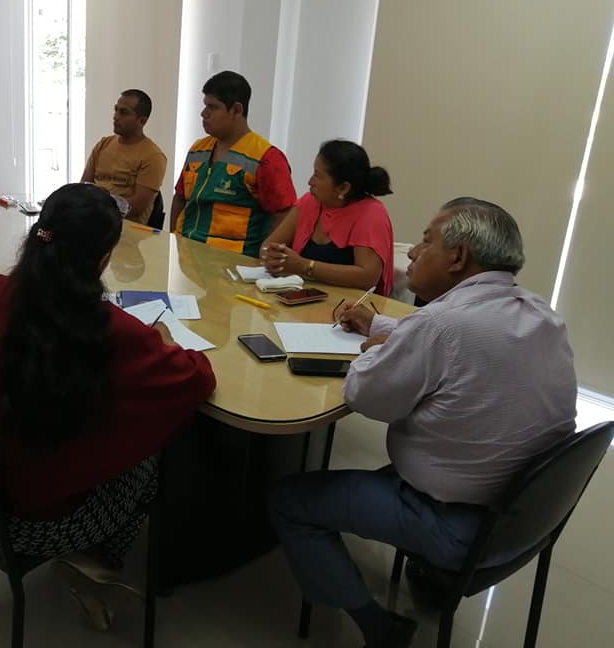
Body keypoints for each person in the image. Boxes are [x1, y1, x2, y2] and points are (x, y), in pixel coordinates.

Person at [269, 198, 577, 648]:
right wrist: (382, 327)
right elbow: (462, 345)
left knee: (288, 499)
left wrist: (374, 349)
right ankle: (425, 583)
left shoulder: (440, 325)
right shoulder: (539, 314)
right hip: (528, 513)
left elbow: (364, 394)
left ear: (458, 257)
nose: (412, 252)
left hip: (456, 523)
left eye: (426, 241)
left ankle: (379, 628)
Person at [0, 182, 216, 628]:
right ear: (103, 259)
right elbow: (196, 378)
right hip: (35, 523)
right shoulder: (111, 331)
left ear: (37, 235)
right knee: (153, 454)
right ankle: (96, 565)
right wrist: (160, 341)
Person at [170, 71, 296, 257]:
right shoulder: (198, 149)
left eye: (213, 107)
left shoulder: (266, 158)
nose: (203, 113)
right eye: (205, 105)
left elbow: (285, 216)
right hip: (186, 257)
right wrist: (173, 241)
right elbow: (180, 197)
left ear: (236, 110)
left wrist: (264, 259)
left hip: (233, 263)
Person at [261, 139, 395, 295]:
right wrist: (272, 257)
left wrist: (305, 266)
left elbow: (367, 277)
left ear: (343, 187)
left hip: (347, 304)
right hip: (301, 297)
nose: (310, 181)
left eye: (317, 176)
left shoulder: (371, 214)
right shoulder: (310, 202)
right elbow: (268, 245)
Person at [80, 89, 167, 224]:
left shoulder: (153, 156)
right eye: (116, 110)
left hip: (125, 226)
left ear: (142, 121)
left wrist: (98, 205)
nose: (115, 117)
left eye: (124, 112)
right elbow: (83, 187)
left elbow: (137, 207)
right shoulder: (103, 144)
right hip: (93, 220)